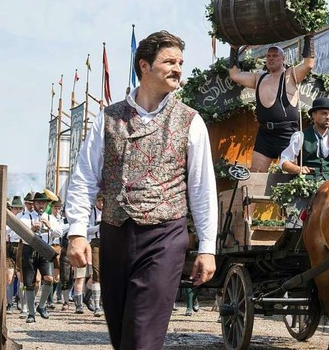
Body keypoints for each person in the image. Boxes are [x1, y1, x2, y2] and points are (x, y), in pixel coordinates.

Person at [65, 30, 218, 350]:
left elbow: (202, 189)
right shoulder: (109, 118)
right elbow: (84, 177)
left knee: (142, 336)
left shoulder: (191, 121)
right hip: (115, 233)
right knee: (123, 335)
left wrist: (207, 247)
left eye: (181, 62)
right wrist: (77, 231)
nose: (178, 68)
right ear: (144, 66)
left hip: (165, 237)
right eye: (169, 61)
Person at [228, 35, 314, 172]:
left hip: (287, 133)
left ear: (283, 59)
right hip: (265, 134)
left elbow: (308, 64)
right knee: (256, 172)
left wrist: (309, 37)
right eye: (268, 56)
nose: (271, 58)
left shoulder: (291, 75)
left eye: (275, 55)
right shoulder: (258, 78)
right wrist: (234, 49)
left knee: (292, 174)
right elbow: (234, 75)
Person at [279, 97, 329, 180]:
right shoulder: (300, 136)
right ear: (313, 115)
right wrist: (298, 169)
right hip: (307, 184)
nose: (328, 117)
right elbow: (284, 161)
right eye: (324, 113)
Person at [20, 191, 62, 323]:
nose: (41, 205)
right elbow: (18, 236)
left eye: (43, 202)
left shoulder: (50, 218)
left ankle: (42, 306)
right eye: (38, 202)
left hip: (45, 250)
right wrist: (31, 229)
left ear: (47, 204)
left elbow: (59, 233)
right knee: (29, 283)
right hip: (29, 249)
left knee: (49, 278)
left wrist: (49, 227)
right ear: (34, 204)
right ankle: (31, 314)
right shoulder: (25, 217)